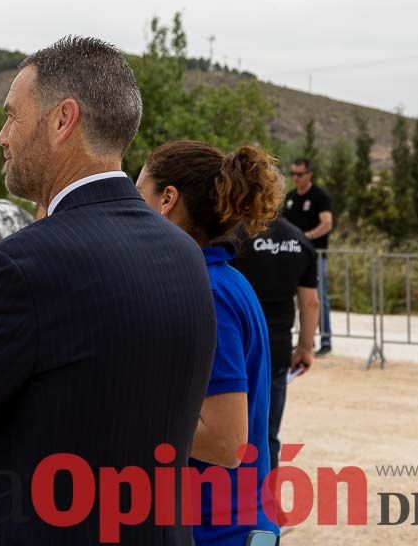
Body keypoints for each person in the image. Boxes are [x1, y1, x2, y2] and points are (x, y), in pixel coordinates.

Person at [0, 36, 216, 545]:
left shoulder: (19, 266)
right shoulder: (184, 253)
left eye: (12, 116)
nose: (1, 136)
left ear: (63, 120)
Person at [137, 141, 283, 546]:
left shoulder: (209, 291)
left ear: (167, 200)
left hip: (218, 531)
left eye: (138, 195)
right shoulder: (220, 280)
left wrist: (120, 413)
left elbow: (225, 442)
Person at [230, 217, 320, 471]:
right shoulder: (299, 240)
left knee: (231, 430)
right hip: (277, 349)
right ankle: (265, 498)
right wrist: (304, 348)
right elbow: (310, 302)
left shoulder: (237, 235)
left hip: (240, 345)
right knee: (267, 432)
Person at [282, 158, 334, 356]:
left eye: (299, 174)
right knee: (296, 298)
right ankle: (306, 340)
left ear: (309, 174)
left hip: (315, 256)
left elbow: (326, 223)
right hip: (292, 255)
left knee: (319, 297)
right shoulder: (290, 198)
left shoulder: (320, 196)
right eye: (293, 174)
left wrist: (305, 238)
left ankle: (326, 339)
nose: (295, 178)